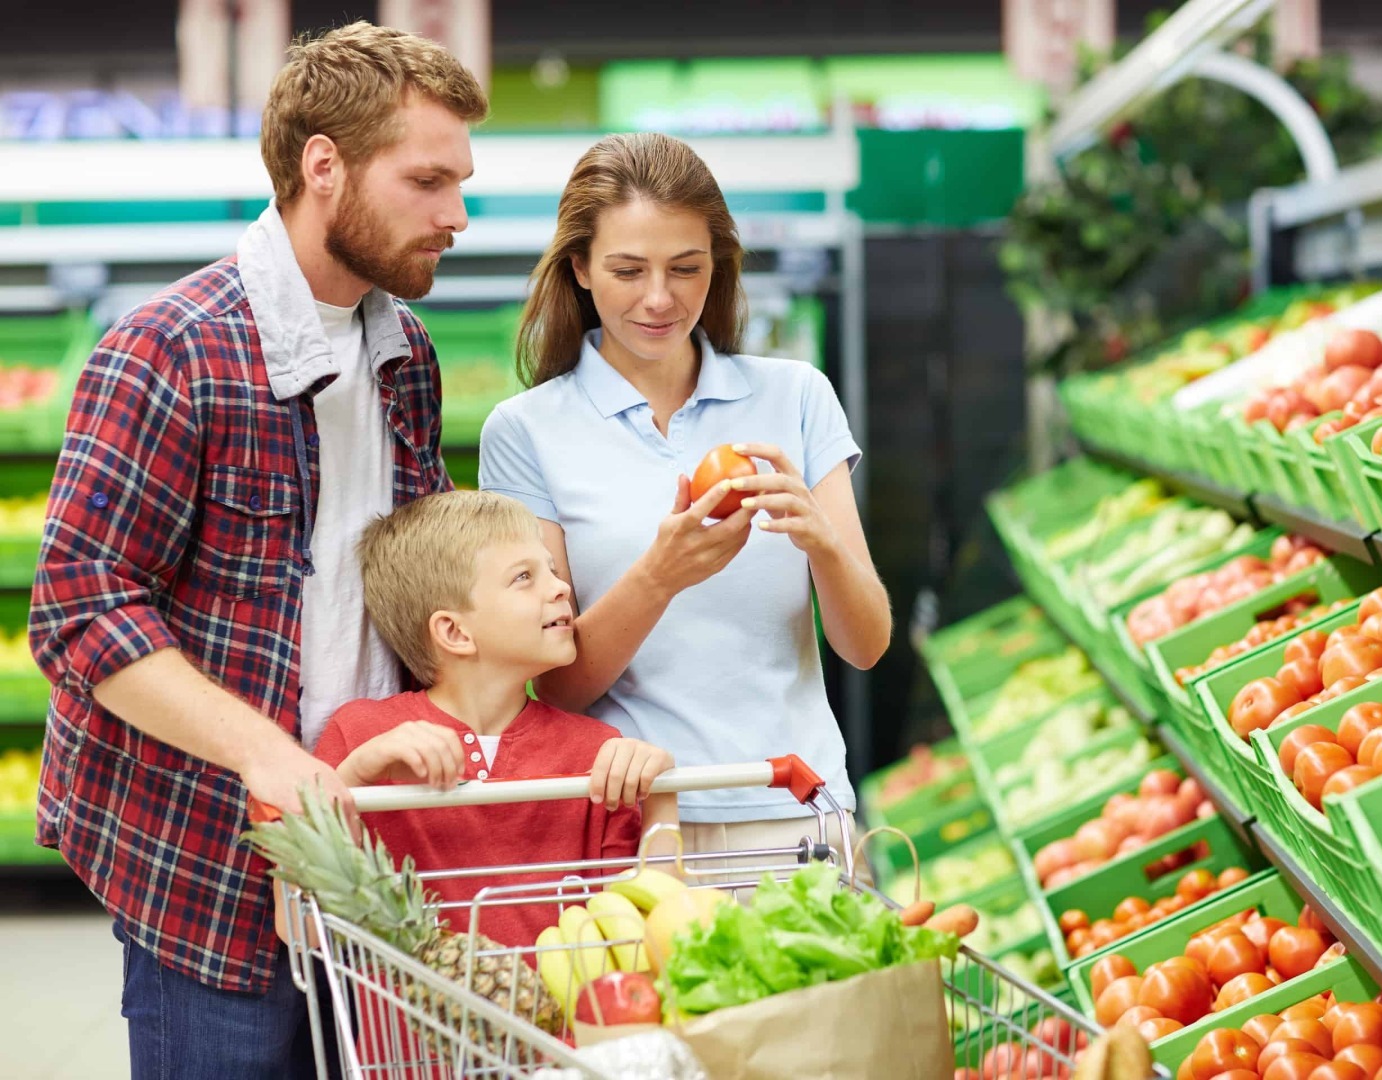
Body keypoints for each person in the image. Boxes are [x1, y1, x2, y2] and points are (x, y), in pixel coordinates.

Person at [27, 22, 485, 1078]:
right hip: (209, 865)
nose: (456, 215)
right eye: (426, 181)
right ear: (322, 166)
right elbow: (80, 607)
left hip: (370, 857)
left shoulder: (401, 351)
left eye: (460, 183)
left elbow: (406, 573)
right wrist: (269, 755)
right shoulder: (169, 348)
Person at [478, 132, 891, 868]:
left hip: (797, 819)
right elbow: (556, 688)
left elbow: (866, 646)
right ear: (579, 267)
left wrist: (820, 540)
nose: (660, 298)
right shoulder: (526, 431)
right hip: (633, 830)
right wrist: (660, 575)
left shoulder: (796, 397)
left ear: (718, 267)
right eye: (628, 270)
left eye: (686, 268)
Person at [312, 489, 678, 948]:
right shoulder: (362, 735)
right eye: (524, 577)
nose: (561, 587)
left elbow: (644, 932)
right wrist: (356, 775)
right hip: (411, 1020)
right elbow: (303, 928)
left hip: (567, 1019)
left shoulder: (598, 750)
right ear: (454, 631)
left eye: (552, 569)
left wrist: (661, 791)